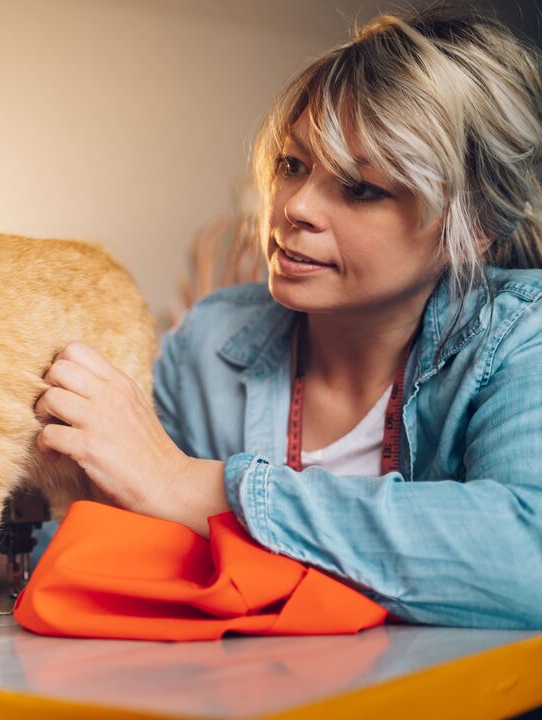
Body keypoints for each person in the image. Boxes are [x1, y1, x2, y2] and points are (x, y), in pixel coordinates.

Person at [35, 6, 542, 629]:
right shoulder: (209, 340)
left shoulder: (522, 337)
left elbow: (527, 563)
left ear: (478, 227)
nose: (294, 207)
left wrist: (193, 487)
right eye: (291, 165)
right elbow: (115, 550)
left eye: (361, 189)